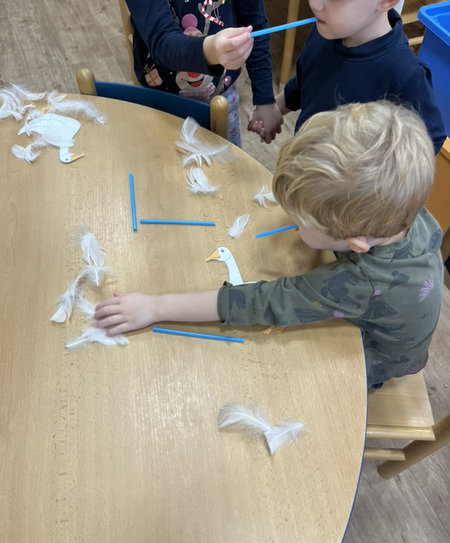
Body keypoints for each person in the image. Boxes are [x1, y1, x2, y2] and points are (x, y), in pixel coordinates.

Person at [94, 101, 443, 389]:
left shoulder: (358, 283)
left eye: (300, 221)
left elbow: (263, 301)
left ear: (356, 242)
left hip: (378, 359)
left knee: (284, 377)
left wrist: (155, 307)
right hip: (397, 321)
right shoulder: (406, 212)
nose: (292, 221)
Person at [249, 0, 446, 152]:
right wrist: (275, 108)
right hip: (308, 165)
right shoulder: (324, 32)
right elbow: (306, 84)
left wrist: (378, 174)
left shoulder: (405, 74)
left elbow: (430, 141)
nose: (315, 5)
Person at [125, 0, 282, 147]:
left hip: (222, 99)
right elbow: (162, 41)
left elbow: (255, 24)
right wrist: (211, 51)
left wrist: (265, 100)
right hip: (159, 102)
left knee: (226, 164)